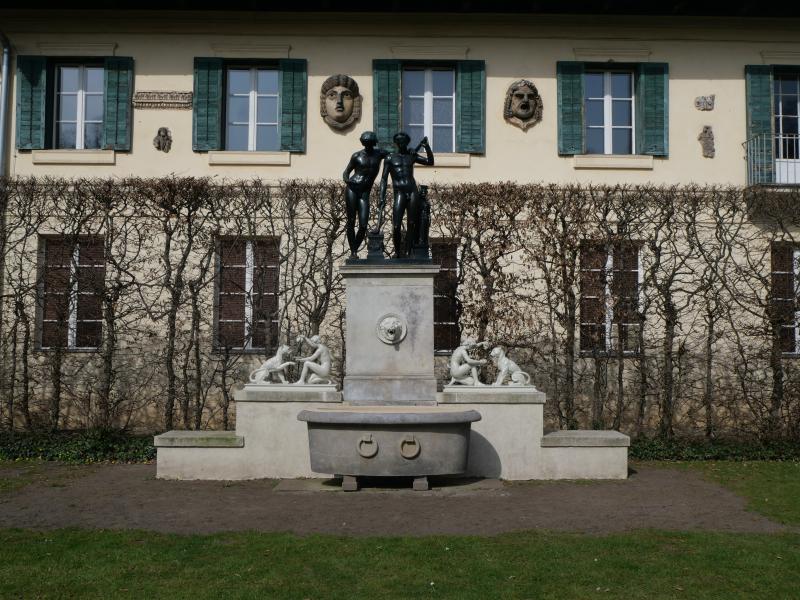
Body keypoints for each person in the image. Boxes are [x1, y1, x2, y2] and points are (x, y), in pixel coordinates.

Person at [378, 132, 434, 258]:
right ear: (396, 143)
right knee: (396, 225)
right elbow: (383, 179)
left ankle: (408, 252)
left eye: (403, 141)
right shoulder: (390, 158)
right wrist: (381, 196)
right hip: (399, 192)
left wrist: (427, 147)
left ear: (407, 142)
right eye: (398, 141)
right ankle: (398, 252)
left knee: (412, 223)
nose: (401, 143)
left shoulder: (411, 156)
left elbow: (430, 162)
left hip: (412, 190)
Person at [342, 131, 386, 257]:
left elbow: (394, 153)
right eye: (365, 143)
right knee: (351, 221)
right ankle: (353, 252)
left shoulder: (379, 154)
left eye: (370, 143)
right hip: (353, 189)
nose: (368, 145)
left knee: (363, 225)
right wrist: (347, 179)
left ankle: (354, 248)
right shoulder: (357, 156)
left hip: (365, 193)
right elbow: (346, 172)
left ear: (374, 143)